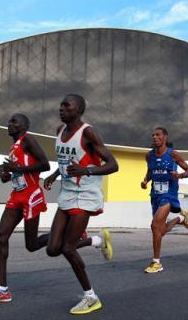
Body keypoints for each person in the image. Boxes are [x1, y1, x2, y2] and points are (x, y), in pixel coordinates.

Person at [43, 94, 119, 315]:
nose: (61, 108)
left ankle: (91, 297)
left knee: (68, 248)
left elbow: (114, 165)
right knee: (52, 249)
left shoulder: (88, 132)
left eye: (67, 106)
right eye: (61, 104)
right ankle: (97, 240)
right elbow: (66, 160)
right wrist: (54, 174)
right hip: (67, 193)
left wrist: (87, 170)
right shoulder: (59, 131)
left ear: (79, 110)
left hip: (85, 194)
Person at [0, 113, 51, 305]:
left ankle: (67, 233)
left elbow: (45, 164)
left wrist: (17, 169)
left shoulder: (28, 139)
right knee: (0, 237)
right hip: (16, 196)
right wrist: (8, 175)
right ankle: (2, 290)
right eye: (9, 121)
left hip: (31, 196)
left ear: (24, 126)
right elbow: (17, 171)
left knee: (32, 245)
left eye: (14, 122)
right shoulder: (13, 147)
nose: (9, 124)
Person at [140, 126, 188, 274]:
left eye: (158, 135)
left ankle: (156, 262)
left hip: (168, 195)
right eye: (153, 135)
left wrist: (180, 176)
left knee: (154, 226)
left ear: (165, 138)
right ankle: (179, 219)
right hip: (155, 195)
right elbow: (150, 172)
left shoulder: (173, 154)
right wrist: (145, 181)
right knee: (159, 230)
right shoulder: (149, 156)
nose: (155, 138)